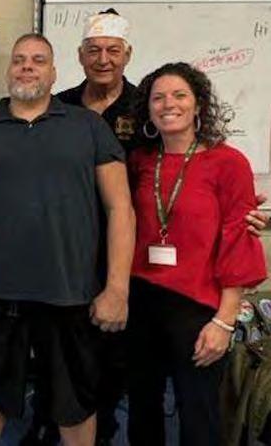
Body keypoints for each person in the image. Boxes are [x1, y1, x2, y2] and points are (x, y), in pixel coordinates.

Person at [0, 33, 136, 446]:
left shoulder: (89, 127)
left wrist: (117, 289)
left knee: (76, 400)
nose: (27, 67)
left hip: (72, 293)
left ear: (54, 72)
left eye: (38, 60)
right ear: (9, 70)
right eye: (19, 60)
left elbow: (120, 208)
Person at [126, 62, 266, 446]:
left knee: (198, 412)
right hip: (140, 299)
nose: (168, 104)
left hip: (198, 306)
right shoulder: (140, 161)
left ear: (198, 105)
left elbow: (238, 241)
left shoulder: (228, 162)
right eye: (158, 98)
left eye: (179, 95)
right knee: (142, 407)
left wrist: (224, 321)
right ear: (148, 109)